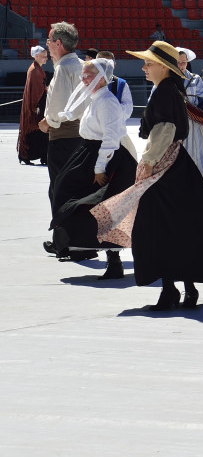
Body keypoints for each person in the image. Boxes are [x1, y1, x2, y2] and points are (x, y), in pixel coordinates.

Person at [91, 41, 203, 310]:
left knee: (160, 226)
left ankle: (171, 290)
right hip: (178, 165)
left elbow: (165, 129)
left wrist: (148, 163)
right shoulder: (171, 89)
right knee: (179, 225)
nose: (144, 67)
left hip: (165, 165)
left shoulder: (165, 92)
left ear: (162, 67)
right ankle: (185, 289)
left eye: (148, 63)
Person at [45, 58, 138, 278]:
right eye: (83, 74)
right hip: (89, 154)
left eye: (87, 75)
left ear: (100, 77)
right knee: (71, 196)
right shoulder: (96, 99)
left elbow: (111, 138)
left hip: (105, 159)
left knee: (100, 208)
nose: (82, 78)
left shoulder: (107, 101)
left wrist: (99, 168)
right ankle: (76, 244)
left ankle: (112, 261)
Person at [39, 22, 85, 203]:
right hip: (82, 136)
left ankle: (63, 230)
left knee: (60, 190)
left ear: (58, 43)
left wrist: (46, 123)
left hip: (64, 137)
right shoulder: (82, 64)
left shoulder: (63, 68)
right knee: (77, 188)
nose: (47, 44)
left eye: (49, 40)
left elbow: (57, 109)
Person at [176, 48, 203, 188]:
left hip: (194, 124)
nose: (181, 65)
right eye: (178, 62)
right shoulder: (166, 78)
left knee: (199, 157)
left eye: (184, 62)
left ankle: (200, 191)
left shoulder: (195, 78)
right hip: (175, 124)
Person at [18, 45, 49, 165]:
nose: (46, 58)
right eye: (43, 56)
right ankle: (29, 155)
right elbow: (36, 90)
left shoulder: (36, 68)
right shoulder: (35, 70)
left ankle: (34, 155)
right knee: (37, 129)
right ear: (36, 56)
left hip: (38, 103)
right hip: (38, 104)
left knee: (38, 131)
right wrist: (35, 106)